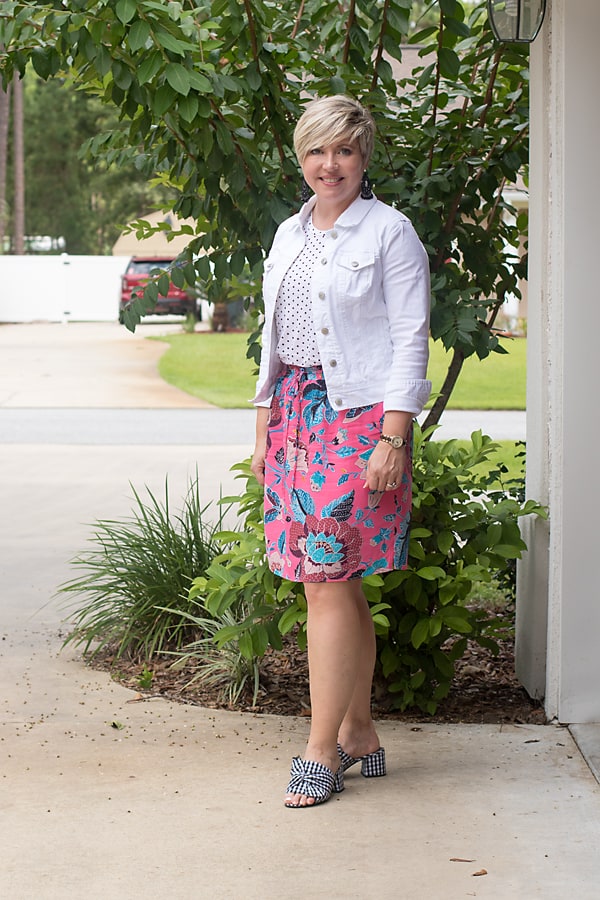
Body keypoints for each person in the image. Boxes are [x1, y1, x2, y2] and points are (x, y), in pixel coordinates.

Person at [250, 95, 431, 808]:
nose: (331, 165)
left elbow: (411, 338)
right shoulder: (288, 233)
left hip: (357, 422)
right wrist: (262, 425)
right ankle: (358, 730)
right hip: (294, 416)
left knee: (325, 583)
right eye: (317, 152)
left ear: (364, 157)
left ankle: (320, 751)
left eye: (345, 152)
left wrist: (395, 434)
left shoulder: (391, 234)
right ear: (302, 158)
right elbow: (274, 338)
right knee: (334, 584)